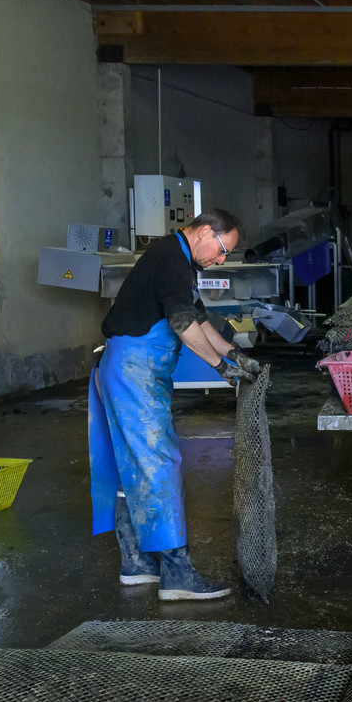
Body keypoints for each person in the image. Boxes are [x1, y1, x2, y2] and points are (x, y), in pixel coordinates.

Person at [88, 208, 263, 600]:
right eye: (222, 250)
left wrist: (233, 354)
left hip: (130, 370)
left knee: (132, 465)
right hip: (132, 372)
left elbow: (198, 319)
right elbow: (182, 325)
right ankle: (177, 575)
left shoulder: (179, 260)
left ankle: (137, 564)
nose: (221, 260)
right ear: (205, 232)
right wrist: (219, 366)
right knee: (160, 464)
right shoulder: (170, 258)